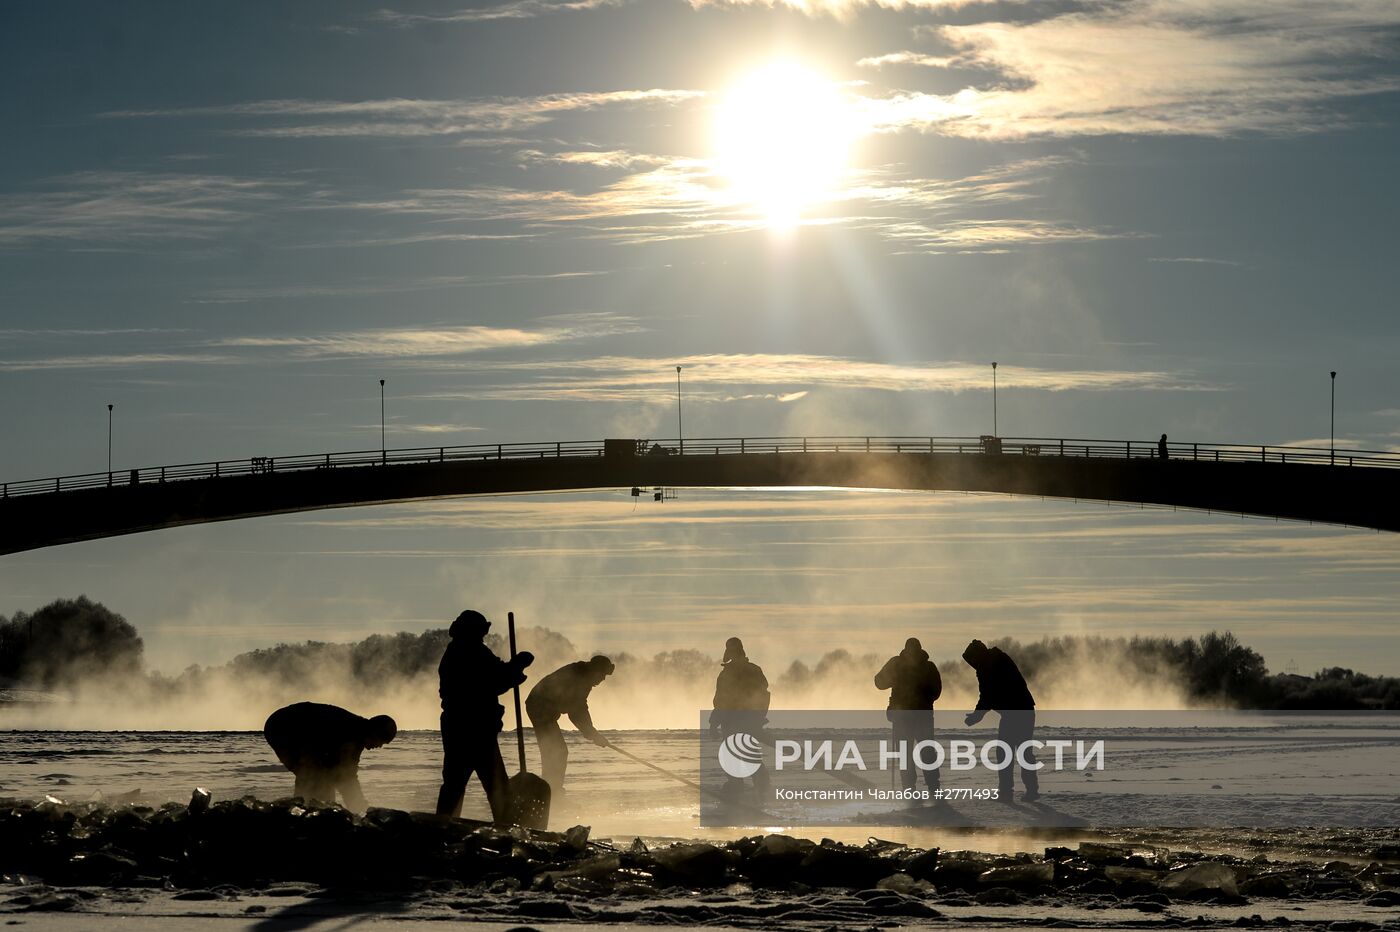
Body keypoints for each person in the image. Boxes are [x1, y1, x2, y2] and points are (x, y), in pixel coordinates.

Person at [435, 609, 535, 820]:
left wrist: (514, 669)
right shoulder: (469, 651)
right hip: (473, 727)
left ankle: (444, 823)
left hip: (462, 726)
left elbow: (495, 678)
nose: (483, 635)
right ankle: (506, 826)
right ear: (471, 630)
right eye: (481, 631)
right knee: (494, 783)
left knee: (455, 783)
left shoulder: (464, 650)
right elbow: (493, 680)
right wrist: (516, 667)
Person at [263, 701, 397, 811]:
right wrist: (360, 809)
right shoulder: (351, 734)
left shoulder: (356, 734)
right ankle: (304, 811)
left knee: (321, 777)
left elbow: (345, 776)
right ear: (374, 732)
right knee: (315, 775)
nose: (379, 746)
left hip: (287, 726)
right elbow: (347, 779)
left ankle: (305, 809)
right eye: (381, 741)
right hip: (283, 726)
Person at [525, 655, 615, 796]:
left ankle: (550, 792)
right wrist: (592, 734)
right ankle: (552, 794)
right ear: (596, 670)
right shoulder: (579, 678)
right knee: (556, 751)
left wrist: (592, 733)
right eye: (602, 675)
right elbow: (577, 711)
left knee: (556, 751)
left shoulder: (583, 675)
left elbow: (578, 708)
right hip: (539, 707)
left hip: (542, 708)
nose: (603, 679)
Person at [962, 639, 1038, 802]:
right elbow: (989, 695)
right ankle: (1020, 790)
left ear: (976, 656)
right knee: (1013, 751)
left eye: (971, 660)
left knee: (1011, 751)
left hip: (1017, 711)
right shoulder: (995, 659)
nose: (971, 664)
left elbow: (987, 695)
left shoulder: (988, 665)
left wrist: (977, 716)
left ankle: (1011, 791)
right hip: (1020, 710)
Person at [874, 637, 942, 798]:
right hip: (905, 716)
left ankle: (932, 787)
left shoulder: (928, 667)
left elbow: (936, 691)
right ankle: (910, 788)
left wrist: (921, 697)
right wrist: (894, 678)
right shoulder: (897, 664)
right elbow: (879, 682)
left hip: (919, 715)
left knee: (925, 752)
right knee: (907, 753)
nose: (912, 654)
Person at [711, 637, 771, 792]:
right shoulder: (734, 673)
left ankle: (756, 785)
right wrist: (714, 723)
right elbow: (720, 701)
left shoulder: (747, 671)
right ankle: (743, 785)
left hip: (741, 721)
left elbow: (762, 694)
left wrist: (756, 717)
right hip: (735, 722)